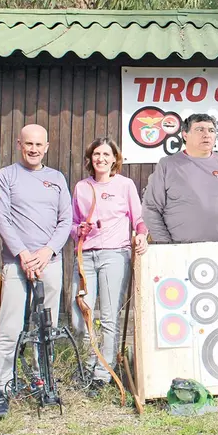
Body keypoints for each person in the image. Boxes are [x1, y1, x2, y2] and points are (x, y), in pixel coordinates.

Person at [0, 124, 72, 418]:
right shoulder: (5, 177)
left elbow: (66, 221)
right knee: (10, 328)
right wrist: (24, 254)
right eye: (28, 144)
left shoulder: (56, 179)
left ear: (47, 147)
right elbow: (1, 219)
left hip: (49, 262)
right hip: (17, 263)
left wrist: (46, 252)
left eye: (39, 144)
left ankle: (43, 381)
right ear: (19, 144)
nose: (34, 149)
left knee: (45, 329)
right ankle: (2, 387)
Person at [69, 137, 148, 396]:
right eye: (96, 154)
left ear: (115, 159)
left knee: (110, 316)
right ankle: (87, 368)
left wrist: (141, 235)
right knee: (83, 316)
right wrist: (78, 229)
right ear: (90, 159)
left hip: (115, 255)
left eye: (106, 154)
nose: (101, 159)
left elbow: (139, 219)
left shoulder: (125, 185)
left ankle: (104, 373)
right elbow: (71, 224)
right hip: (85, 257)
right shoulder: (81, 187)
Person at [142, 113, 218, 243]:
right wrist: (166, 244)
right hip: (179, 250)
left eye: (211, 130)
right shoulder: (167, 165)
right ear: (185, 134)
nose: (206, 134)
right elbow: (151, 207)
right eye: (199, 130)